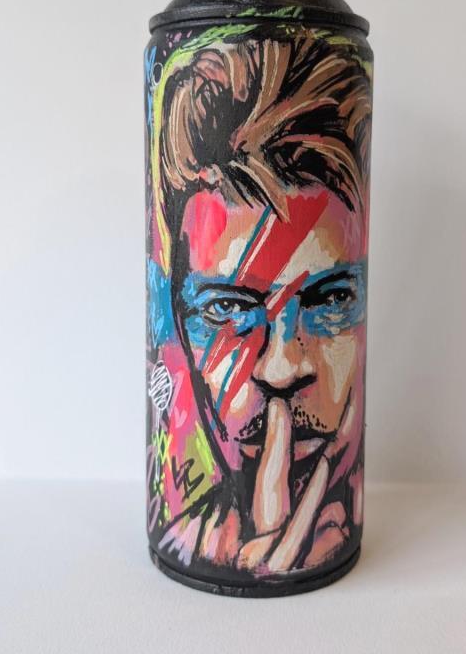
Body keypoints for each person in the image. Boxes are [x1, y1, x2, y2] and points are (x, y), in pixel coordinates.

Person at [147, 31, 371, 578]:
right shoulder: (185, 536)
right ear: (177, 318)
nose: (281, 368)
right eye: (226, 309)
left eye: (331, 299)